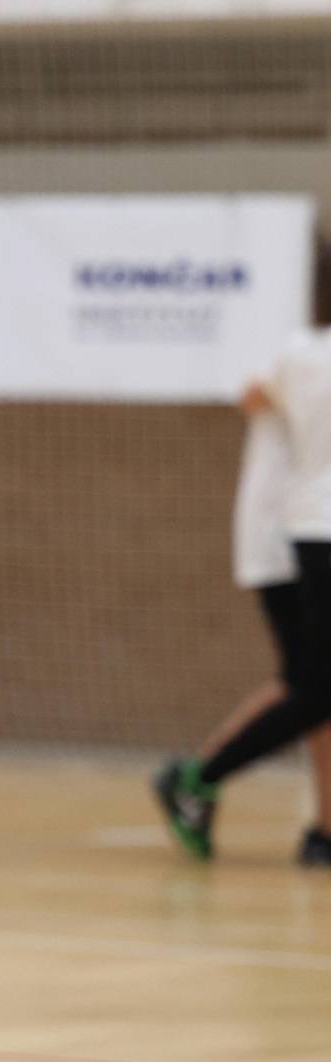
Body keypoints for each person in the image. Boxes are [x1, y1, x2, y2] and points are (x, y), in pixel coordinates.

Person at [156, 245, 331, 865]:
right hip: (290, 539)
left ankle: (320, 831)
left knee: (309, 683)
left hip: (293, 536)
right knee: (315, 686)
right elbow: (250, 397)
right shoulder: (297, 359)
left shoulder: (290, 364)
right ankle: (203, 776)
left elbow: (250, 396)